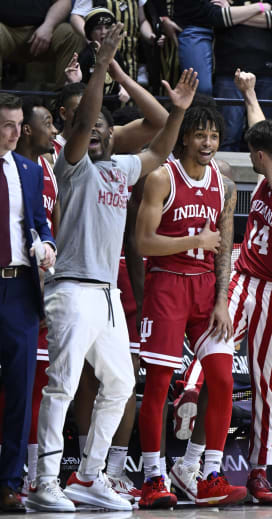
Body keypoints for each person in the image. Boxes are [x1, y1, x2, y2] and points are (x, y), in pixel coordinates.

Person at [26, 24, 198, 512]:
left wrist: (180, 110)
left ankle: (87, 475)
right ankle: (44, 481)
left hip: (106, 295)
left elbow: (161, 146)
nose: (96, 129)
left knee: (121, 383)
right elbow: (81, 125)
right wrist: (102, 65)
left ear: (112, 135)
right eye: (89, 124)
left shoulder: (120, 168)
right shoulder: (71, 164)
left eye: (104, 125)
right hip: (72, 289)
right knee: (62, 384)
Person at [196, 69, 272, 505]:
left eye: (253, 153)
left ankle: (259, 471)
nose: (250, 158)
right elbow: (258, 129)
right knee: (214, 341)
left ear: (262, 156)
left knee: (269, 385)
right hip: (245, 279)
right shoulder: (269, 171)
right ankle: (188, 398)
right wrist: (250, 93)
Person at [135, 101, 246, 508]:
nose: (208, 142)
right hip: (166, 285)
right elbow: (143, 243)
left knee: (221, 380)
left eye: (214, 135)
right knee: (160, 387)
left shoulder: (226, 184)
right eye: (200, 134)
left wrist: (222, 300)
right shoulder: (162, 178)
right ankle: (152, 478)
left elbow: (225, 248)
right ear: (185, 137)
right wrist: (191, 242)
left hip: (205, 292)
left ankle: (208, 473)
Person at [0, 93, 56, 513]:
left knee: (21, 387)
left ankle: (9, 482)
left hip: (20, 287)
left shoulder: (30, 169)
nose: (16, 132)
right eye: (7, 124)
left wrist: (47, 245)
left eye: (19, 124)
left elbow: (39, 223)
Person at [213, 0, 272, 151]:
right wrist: (260, 8)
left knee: (263, 137)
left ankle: (263, 175)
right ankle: (224, 174)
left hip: (267, 67)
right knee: (228, 135)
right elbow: (217, 16)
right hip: (229, 67)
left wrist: (233, 13)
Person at [0, 0, 83, 88]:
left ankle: (66, 97)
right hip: (7, 31)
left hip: (45, 29)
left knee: (72, 34)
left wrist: (48, 26)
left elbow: (64, 1)